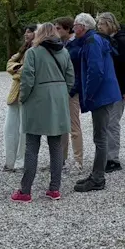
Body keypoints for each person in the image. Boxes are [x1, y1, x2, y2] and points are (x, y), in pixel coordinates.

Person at [11, 22, 74, 202]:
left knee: (32, 146)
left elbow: (27, 78)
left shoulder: (33, 52)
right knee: (56, 146)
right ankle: (54, 188)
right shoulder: (64, 52)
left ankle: (25, 190)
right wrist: (62, 93)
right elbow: (71, 77)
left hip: (37, 100)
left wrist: (23, 97)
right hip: (58, 101)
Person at [72, 12, 121, 192]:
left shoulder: (92, 42)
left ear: (83, 27)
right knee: (99, 136)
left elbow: (95, 71)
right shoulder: (93, 40)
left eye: (75, 24)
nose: (73, 28)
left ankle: (98, 178)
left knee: (100, 137)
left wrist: (89, 94)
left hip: (101, 95)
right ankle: (96, 174)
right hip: (105, 93)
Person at [96, 13, 125, 173]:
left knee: (112, 123)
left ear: (110, 24)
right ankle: (108, 156)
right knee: (108, 123)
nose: (99, 27)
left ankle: (113, 159)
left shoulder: (121, 41)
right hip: (112, 87)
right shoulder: (111, 40)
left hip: (118, 88)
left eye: (102, 24)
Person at [3, 25, 36, 172]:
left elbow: (29, 72)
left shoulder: (37, 50)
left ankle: (21, 161)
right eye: (25, 32)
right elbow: (10, 64)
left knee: (24, 130)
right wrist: (18, 69)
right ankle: (10, 161)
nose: (26, 34)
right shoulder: (23, 49)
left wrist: (17, 71)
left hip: (27, 94)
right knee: (9, 128)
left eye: (29, 32)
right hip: (15, 93)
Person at [55, 16, 84, 171]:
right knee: (61, 127)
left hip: (72, 91)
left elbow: (78, 71)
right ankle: (61, 159)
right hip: (60, 90)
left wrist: (73, 90)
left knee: (74, 127)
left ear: (67, 29)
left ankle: (78, 161)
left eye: (58, 28)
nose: (56, 31)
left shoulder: (76, 45)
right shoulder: (61, 45)